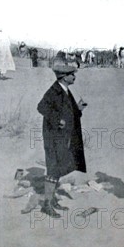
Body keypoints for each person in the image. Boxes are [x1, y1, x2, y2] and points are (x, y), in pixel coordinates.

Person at [37, 62, 88, 218]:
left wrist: (78, 109)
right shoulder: (54, 91)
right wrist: (57, 120)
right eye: (72, 74)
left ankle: (51, 200)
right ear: (63, 77)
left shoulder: (65, 90)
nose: (74, 76)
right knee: (53, 167)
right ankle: (46, 204)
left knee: (60, 166)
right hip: (53, 137)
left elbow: (71, 112)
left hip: (63, 137)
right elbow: (41, 107)